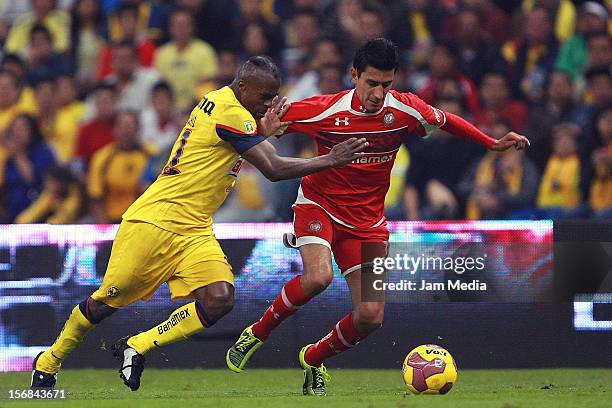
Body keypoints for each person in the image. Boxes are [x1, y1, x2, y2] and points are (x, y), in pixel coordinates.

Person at [30, 56, 367, 391]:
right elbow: (274, 169)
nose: (268, 105)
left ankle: (139, 345)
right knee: (105, 302)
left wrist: (260, 131)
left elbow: (237, 142)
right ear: (244, 86)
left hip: (194, 228)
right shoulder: (232, 114)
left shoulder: (221, 100)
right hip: (155, 221)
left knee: (220, 298)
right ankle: (48, 362)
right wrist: (330, 159)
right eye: (265, 97)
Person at [226, 38, 529, 396]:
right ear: (354, 75)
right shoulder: (324, 110)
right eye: (372, 83)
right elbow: (263, 125)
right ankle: (256, 333)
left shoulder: (404, 111)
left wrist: (490, 143)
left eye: (387, 84)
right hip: (318, 206)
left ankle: (313, 357)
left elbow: (447, 120)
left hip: (369, 224)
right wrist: (264, 125)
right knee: (318, 277)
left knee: (371, 316)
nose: (379, 93)